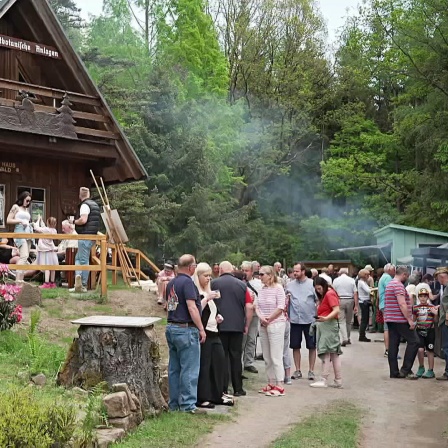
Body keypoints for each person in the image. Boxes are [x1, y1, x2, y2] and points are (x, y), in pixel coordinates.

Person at [165, 254, 206, 413]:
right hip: (185, 329)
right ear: (191, 267)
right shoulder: (188, 283)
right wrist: (201, 328)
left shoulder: (172, 283)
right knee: (189, 368)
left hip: (171, 326)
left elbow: (169, 305)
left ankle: (174, 404)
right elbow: (191, 307)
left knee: (174, 368)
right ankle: (188, 405)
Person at [193, 263, 233, 408]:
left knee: (219, 362)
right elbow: (196, 311)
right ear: (198, 277)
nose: (208, 279)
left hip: (214, 331)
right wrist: (206, 298)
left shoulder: (209, 292)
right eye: (205, 276)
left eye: (210, 276)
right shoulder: (197, 293)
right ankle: (203, 396)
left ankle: (218, 393)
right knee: (205, 365)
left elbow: (212, 312)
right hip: (204, 333)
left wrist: (218, 318)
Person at [211, 261, 253, 396]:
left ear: (221, 270)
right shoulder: (242, 285)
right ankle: (238, 388)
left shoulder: (214, 284)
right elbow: (249, 306)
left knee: (222, 357)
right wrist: (246, 324)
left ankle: (223, 387)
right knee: (236, 356)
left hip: (220, 326)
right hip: (237, 326)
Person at [255, 265, 287, 396]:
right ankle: (271, 381)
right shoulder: (262, 289)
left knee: (276, 355)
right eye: (259, 274)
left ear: (270, 275)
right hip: (264, 324)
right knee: (267, 356)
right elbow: (256, 305)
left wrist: (269, 318)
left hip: (276, 324)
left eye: (262, 274)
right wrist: (262, 318)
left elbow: (281, 307)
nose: (260, 276)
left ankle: (280, 383)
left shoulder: (278, 288)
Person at [384, 266, 419, 379]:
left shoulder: (390, 284)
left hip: (390, 318)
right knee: (414, 341)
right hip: (399, 319)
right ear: (404, 274)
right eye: (407, 276)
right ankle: (405, 369)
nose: (407, 278)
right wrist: (409, 319)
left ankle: (394, 372)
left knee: (393, 345)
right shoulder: (398, 285)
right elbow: (402, 304)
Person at [285, 262, 317, 381]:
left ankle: (311, 371)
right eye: (294, 271)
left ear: (303, 271)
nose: (295, 273)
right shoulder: (289, 285)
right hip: (295, 320)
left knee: (312, 346)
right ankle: (297, 370)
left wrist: (317, 316)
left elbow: (318, 300)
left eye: (297, 271)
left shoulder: (312, 284)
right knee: (295, 346)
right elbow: (286, 300)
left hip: (309, 320)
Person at [310, 277, 342, 388]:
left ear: (323, 285)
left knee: (326, 353)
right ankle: (338, 380)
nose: (318, 291)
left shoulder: (329, 294)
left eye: (319, 288)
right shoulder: (329, 293)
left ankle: (324, 379)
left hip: (328, 325)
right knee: (334, 354)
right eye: (316, 289)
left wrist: (326, 318)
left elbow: (336, 309)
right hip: (329, 325)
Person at [69, 188, 101, 293]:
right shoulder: (95, 205)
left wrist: (73, 221)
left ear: (80, 195)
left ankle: (82, 285)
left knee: (83, 260)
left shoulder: (84, 205)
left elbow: (83, 220)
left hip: (85, 235)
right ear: (89, 194)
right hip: (92, 236)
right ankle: (78, 280)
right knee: (79, 258)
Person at [241, 261, 263, 374]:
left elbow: (262, 296)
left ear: (252, 271)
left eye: (247, 270)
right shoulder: (239, 282)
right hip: (241, 315)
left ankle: (248, 362)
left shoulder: (259, 284)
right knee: (242, 340)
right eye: (243, 270)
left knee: (251, 338)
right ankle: (239, 363)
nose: (245, 273)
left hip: (254, 314)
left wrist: (255, 301)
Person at [6, 191, 33, 282]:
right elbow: (8, 220)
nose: (28, 203)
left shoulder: (26, 210)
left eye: (30, 201)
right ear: (22, 198)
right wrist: (20, 221)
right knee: (24, 256)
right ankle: (18, 281)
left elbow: (28, 221)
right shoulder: (15, 207)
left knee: (25, 256)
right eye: (27, 200)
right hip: (19, 233)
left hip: (28, 233)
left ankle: (21, 280)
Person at [413, 288, 438, 379]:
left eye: (425, 296)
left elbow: (435, 321)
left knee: (430, 350)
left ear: (427, 297)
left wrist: (435, 314)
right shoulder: (415, 308)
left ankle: (431, 370)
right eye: (421, 296)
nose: (423, 298)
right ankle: (421, 367)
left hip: (430, 330)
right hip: (419, 330)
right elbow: (414, 319)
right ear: (418, 297)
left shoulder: (431, 307)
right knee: (420, 350)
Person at [333, 268, 358, 346]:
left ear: (340, 273)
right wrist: (356, 305)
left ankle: (344, 338)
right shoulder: (351, 280)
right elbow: (355, 293)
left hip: (339, 299)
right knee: (349, 321)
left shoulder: (336, 280)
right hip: (350, 300)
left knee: (341, 320)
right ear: (347, 273)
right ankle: (348, 337)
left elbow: (333, 292)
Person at [33, 216, 59, 289]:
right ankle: (52, 283)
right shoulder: (54, 231)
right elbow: (44, 227)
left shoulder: (45, 230)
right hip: (52, 251)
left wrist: (38, 220)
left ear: (48, 223)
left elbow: (36, 227)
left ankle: (46, 283)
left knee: (47, 267)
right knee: (52, 267)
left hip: (46, 251)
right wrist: (42, 221)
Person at [378, 264, 396, 357]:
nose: (395, 272)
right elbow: (392, 290)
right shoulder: (387, 278)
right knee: (388, 328)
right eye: (394, 270)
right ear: (389, 270)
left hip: (383, 304)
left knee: (387, 328)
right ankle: (389, 350)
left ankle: (388, 350)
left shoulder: (383, 277)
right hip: (387, 305)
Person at [435, 267, 448, 380]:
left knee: (446, 347)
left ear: (442, 277)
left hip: (447, 321)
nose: (438, 281)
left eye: (438, 278)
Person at [357, 269, 372, 342]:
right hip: (364, 301)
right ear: (364, 275)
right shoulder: (362, 283)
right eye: (367, 275)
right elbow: (368, 290)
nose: (368, 276)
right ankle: (362, 335)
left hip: (363, 301)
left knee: (365, 319)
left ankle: (362, 335)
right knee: (364, 320)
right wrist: (376, 289)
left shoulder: (362, 282)